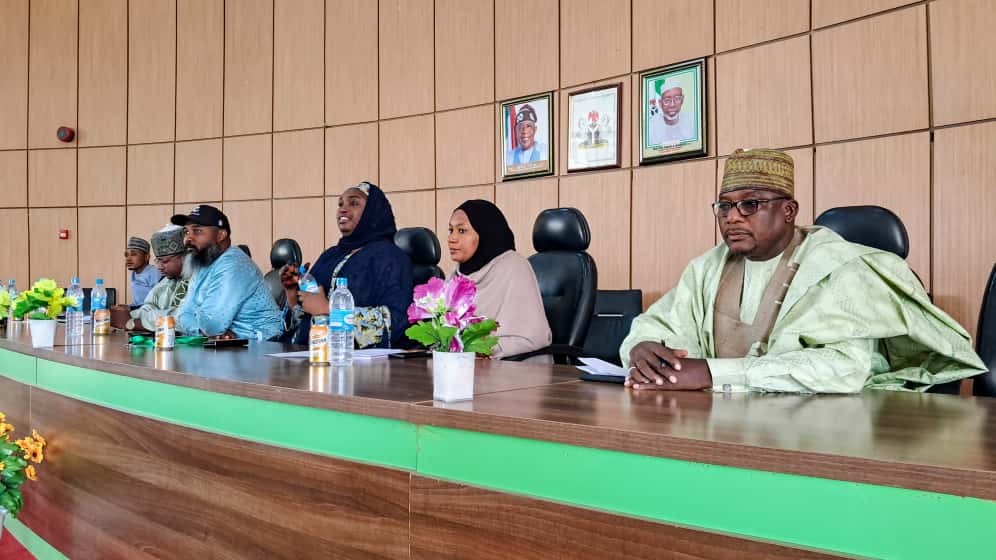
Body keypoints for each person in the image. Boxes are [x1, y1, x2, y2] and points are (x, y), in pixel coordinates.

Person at [621, 148, 986, 393]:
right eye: (724, 206)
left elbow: (844, 367)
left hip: (824, 432)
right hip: (716, 423)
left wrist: (714, 372)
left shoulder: (841, 267)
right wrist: (645, 349)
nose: (732, 217)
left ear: (789, 211)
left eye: (751, 204)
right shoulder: (707, 267)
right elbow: (660, 323)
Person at [280, 182, 413, 348]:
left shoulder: (391, 257)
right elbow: (309, 318)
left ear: (373, 211)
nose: (343, 209)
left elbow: (395, 320)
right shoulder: (329, 256)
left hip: (354, 359)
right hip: (311, 352)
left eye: (354, 203)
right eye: (340, 204)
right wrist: (293, 295)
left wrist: (330, 309)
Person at [447, 200, 551, 358]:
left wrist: (482, 347)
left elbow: (533, 337)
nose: (452, 238)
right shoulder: (456, 275)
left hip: (514, 366)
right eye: (451, 230)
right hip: (465, 365)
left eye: (462, 230)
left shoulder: (513, 266)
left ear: (485, 232)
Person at [170, 205, 283, 340]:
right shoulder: (202, 262)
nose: (188, 239)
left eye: (197, 231)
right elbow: (182, 315)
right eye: (187, 232)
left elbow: (213, 324)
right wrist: (201, 331)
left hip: (264, 344)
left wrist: (204, 327)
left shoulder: (234, 264)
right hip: (229, 345)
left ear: (220, 235)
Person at [112, 225, 191, 332]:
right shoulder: (168, 280)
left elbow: (184, 319)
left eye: (165, 261)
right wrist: (125, 316)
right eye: (158, 261)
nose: (159, 267)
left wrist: (132, 323)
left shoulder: (197, 279)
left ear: (185, 257)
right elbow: (149, 306)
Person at [647, 78, 694, 147]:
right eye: (667, 100)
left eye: (677, 99)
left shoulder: (693, 120)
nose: (672, 105)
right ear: (660, 103)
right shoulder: (650, 127)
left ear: (682, 99)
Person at [125, 236, 161, 306]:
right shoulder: (134, 273)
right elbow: (137, 302)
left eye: (133, 254)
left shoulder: (154, 272)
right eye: (126, 255)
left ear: (146, 257)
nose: (128, 259)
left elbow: (159, 301)